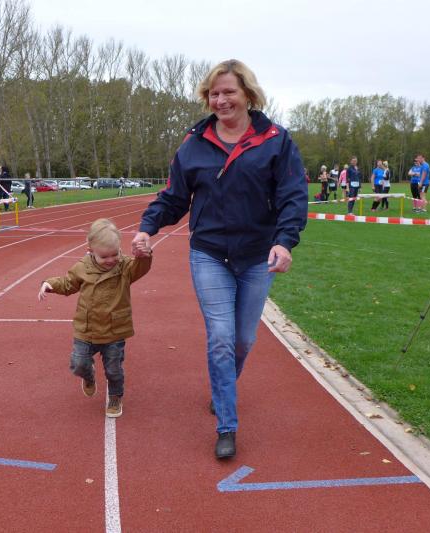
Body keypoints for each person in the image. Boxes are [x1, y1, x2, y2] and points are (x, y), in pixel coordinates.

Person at [131, 59, 308, 459]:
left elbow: (293, 197)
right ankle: (227, 425)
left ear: (248, 94)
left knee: (243, 340)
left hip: (257, 256)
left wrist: (285, 242)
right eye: (214, 93)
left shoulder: (276, 141)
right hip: (209, 254)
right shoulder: (194, 144)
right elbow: (174, 197)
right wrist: (147, 227)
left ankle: (222, 386)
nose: (221, 100)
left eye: (229, 91)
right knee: (222, 339)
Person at [37, 218, 152, 418]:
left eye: (115, 254)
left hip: (114, 330)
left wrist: (144, 257)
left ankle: (115, 397)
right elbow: (68, 283)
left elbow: (140, 268)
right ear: (90, 250)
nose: (111, 260)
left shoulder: (124, 266)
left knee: (114, 370)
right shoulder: (82, 267)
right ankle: (88, 376)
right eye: (104, 256)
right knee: (79, 364)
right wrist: (50, 284)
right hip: (87, 329)